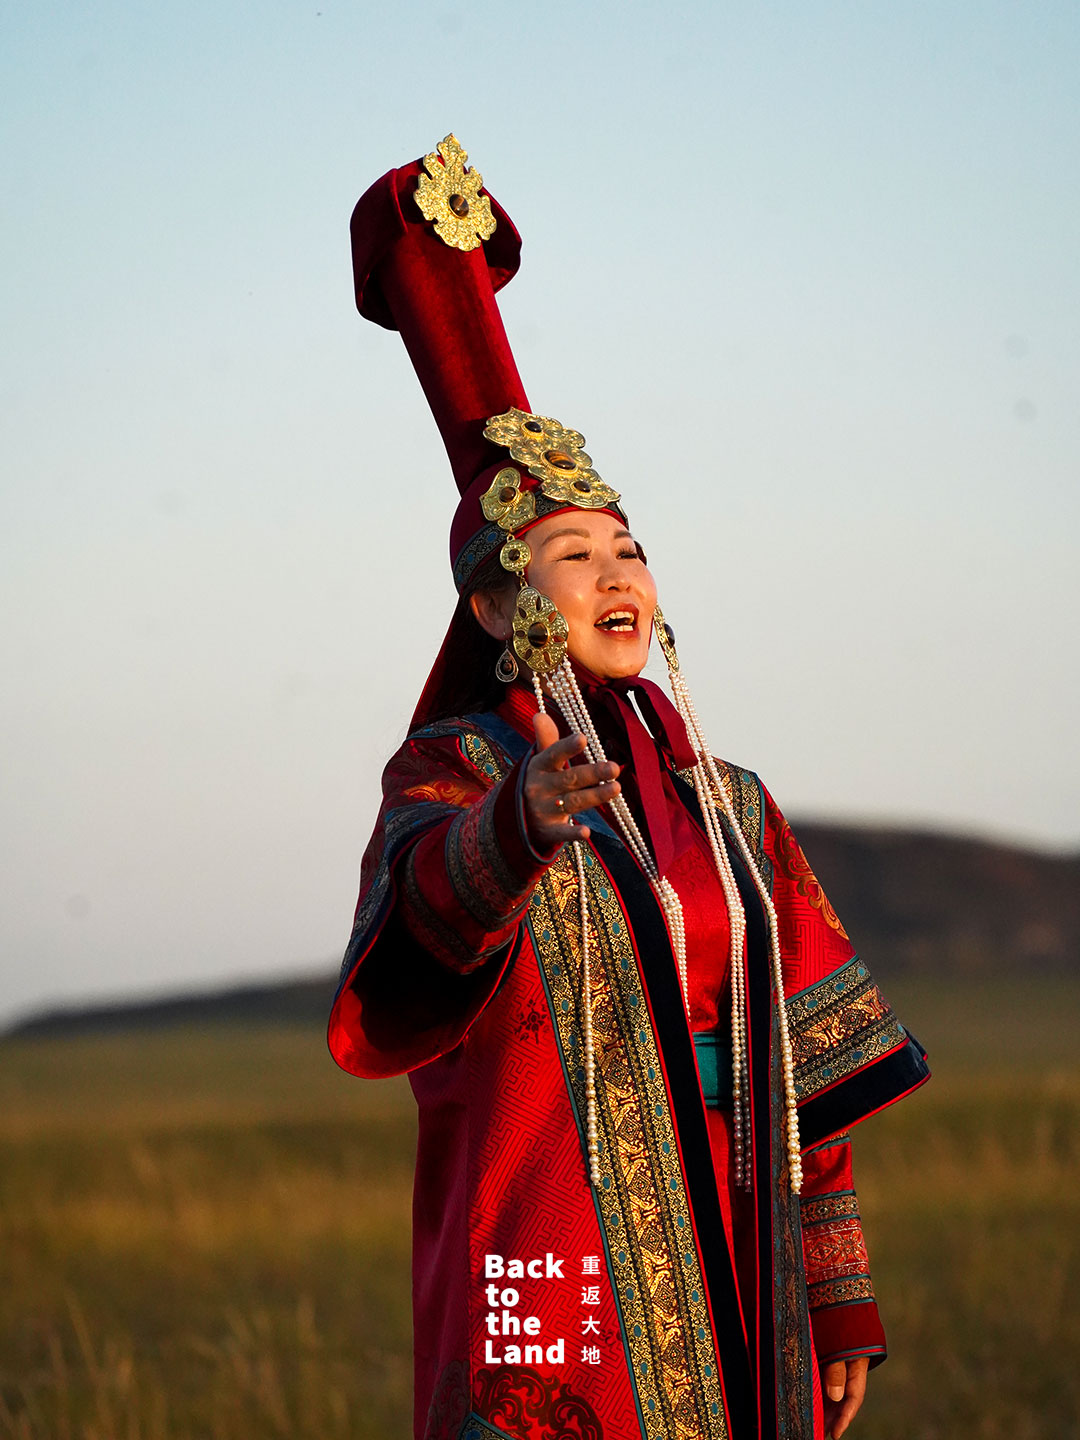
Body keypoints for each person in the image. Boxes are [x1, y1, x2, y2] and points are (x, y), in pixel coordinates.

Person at [328, 135, 930, 1440]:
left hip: (743, 1238)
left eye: (629, 550)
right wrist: (519, 828)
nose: (615, 580)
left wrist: (836, 1292)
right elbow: (414, 931)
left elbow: (807, 1077)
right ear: (496, 601)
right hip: (544, 1265)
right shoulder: (458, 770)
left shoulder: (733, 801)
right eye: (570, 555)